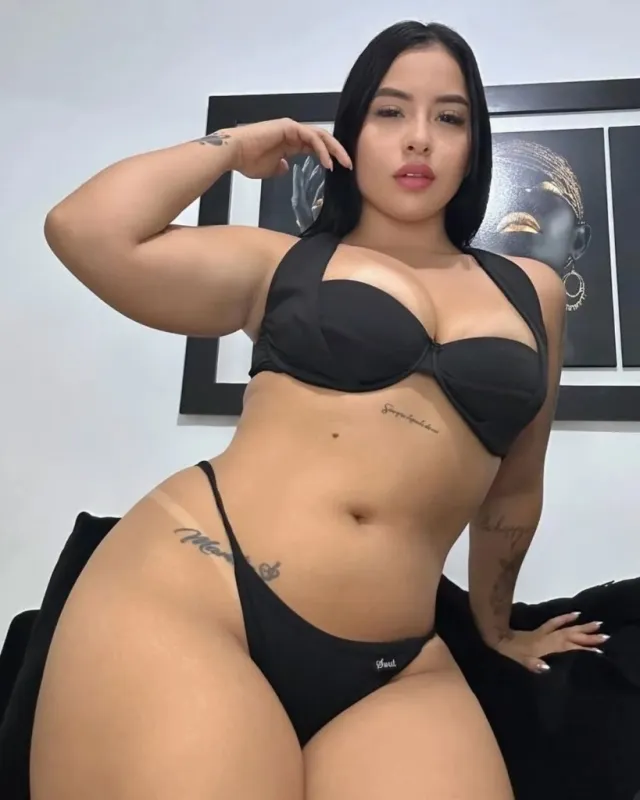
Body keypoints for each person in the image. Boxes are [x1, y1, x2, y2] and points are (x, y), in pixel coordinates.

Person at [30, 19, 607, 800]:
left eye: (449, 117)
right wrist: (235, 147)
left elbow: (514, 486)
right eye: (389, 111)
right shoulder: (281, 262)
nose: (418, 138)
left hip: (397, 663)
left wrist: (495, 627)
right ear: (351, 132)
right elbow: (85, 229)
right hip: (199, 599)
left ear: (474, 145)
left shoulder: (532, 292)